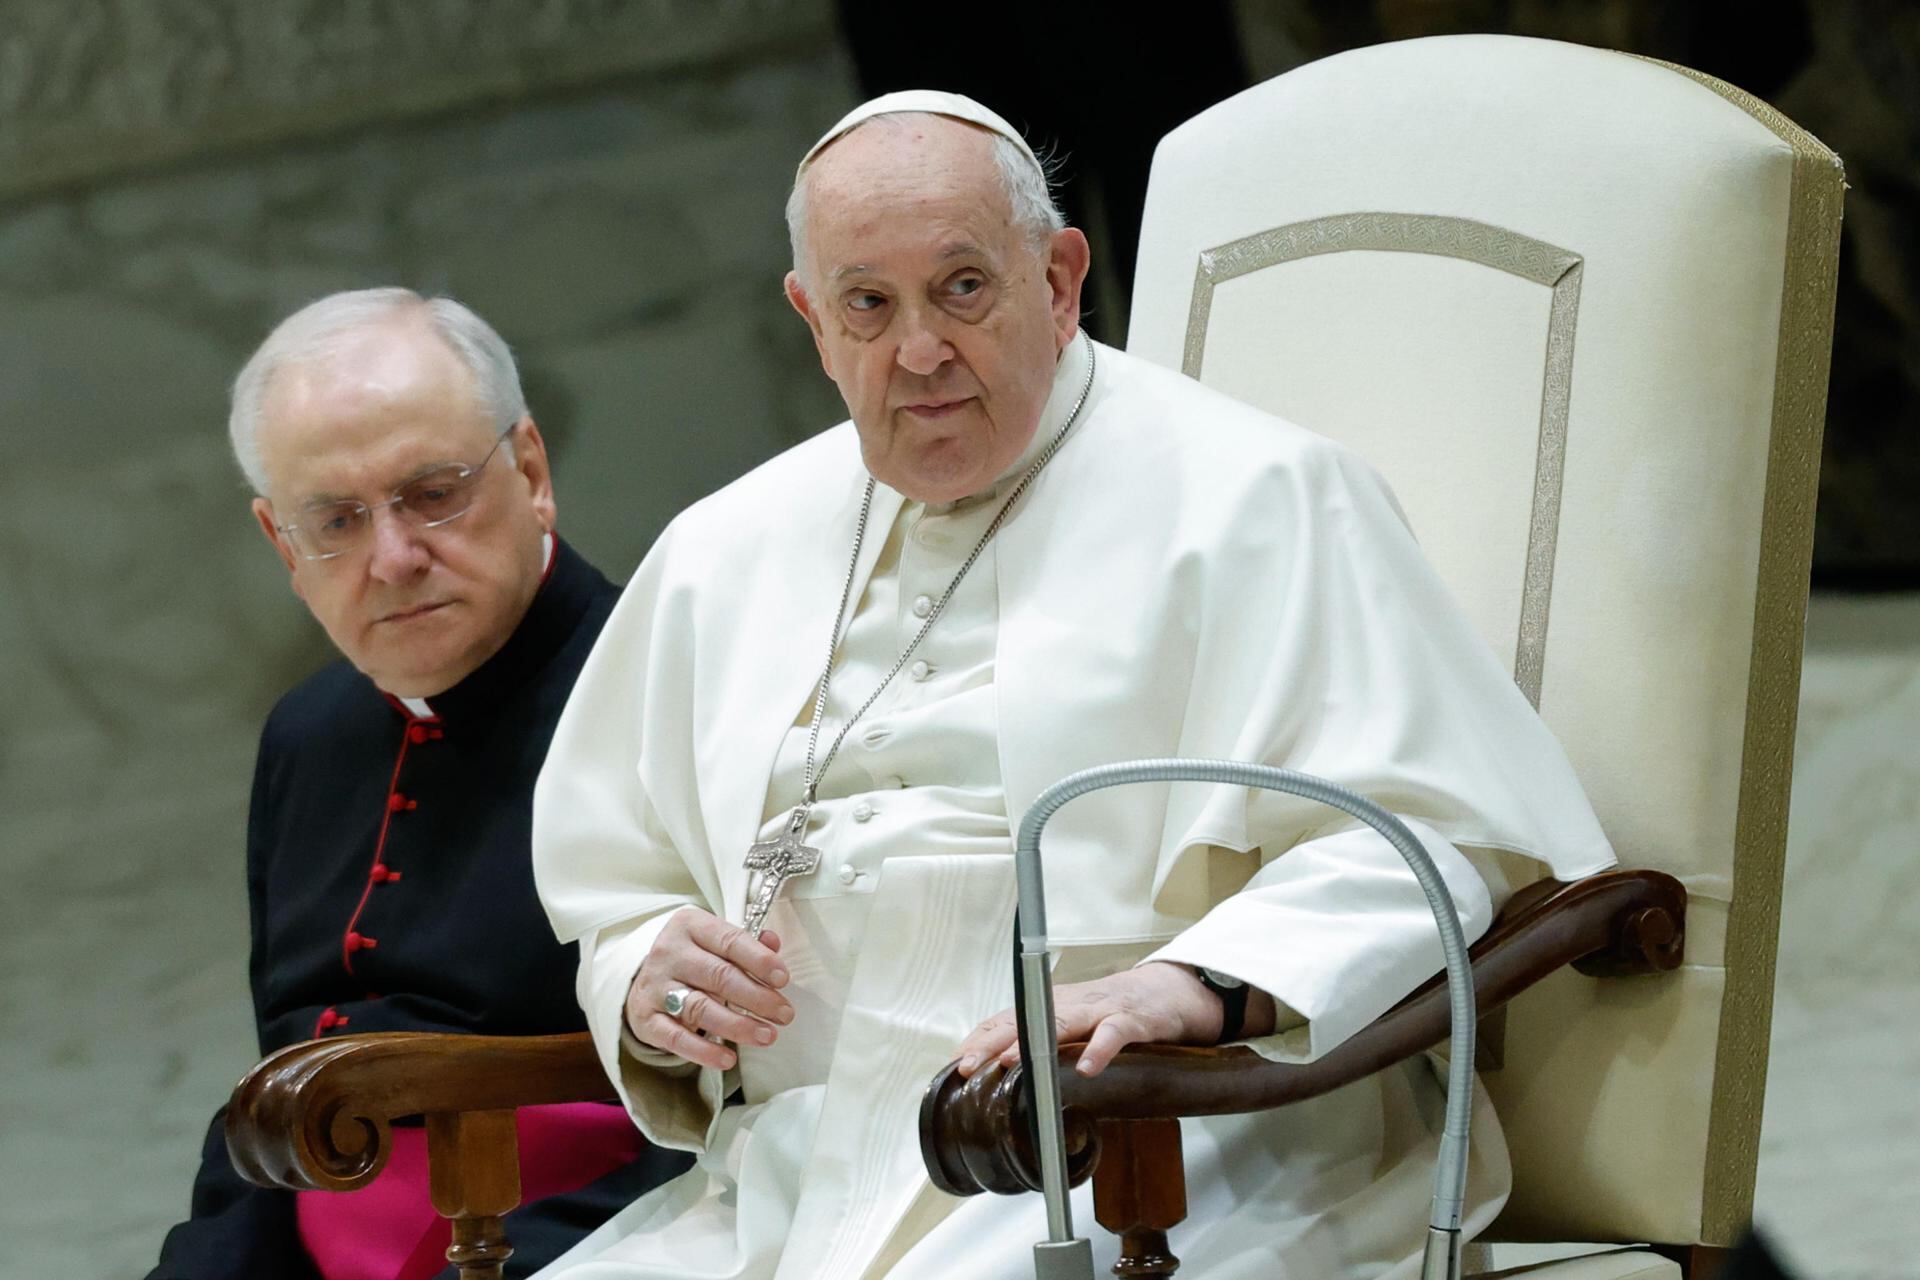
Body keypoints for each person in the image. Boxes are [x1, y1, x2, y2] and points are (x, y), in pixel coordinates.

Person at [530, 93, 1617, 1279]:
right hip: (787, 1170)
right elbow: (615, 881)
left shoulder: (1263, 498)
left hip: (1162, 1143)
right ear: (812, 321)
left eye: (962, 286)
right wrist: (646, 972)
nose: (921, 351)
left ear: (1056, 279)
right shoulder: (718, 550)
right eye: (869, 305)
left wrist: (1189, 983)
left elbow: (1431, 829)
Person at [150, 289, 690, 1280]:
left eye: (432, 491)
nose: (393, 557)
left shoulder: (669, 677)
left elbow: (717, 1106)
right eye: (336, 520)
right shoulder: (307, 737)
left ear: (530, 469)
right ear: (282, 546)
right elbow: (284, 1091)